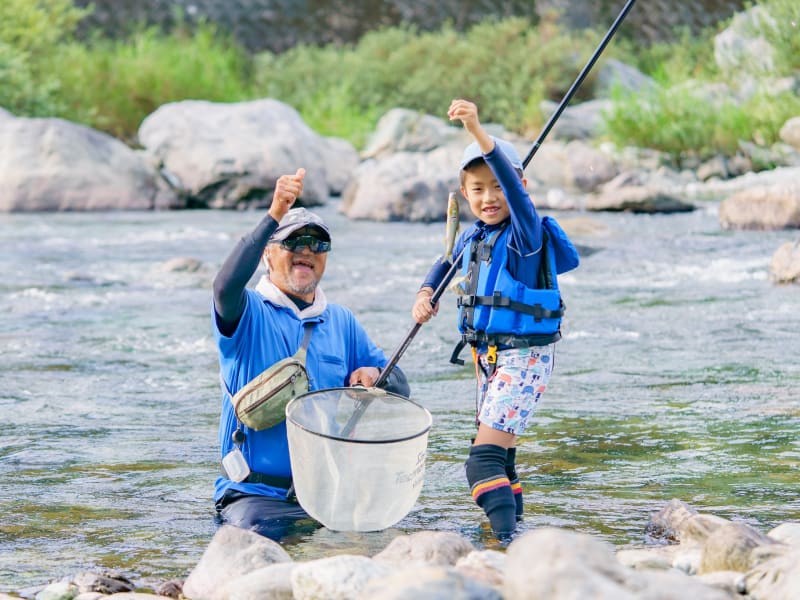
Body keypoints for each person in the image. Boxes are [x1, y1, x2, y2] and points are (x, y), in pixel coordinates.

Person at [212, 167, 410, 540]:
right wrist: (273, 215)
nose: (307, 250)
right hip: (255, 497)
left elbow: (400, 386)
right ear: (268, 254)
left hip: (327, 495)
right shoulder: (247, 312)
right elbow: (224, 287)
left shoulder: (341, 321)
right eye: (293, 242)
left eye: (318, 244)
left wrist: (372, 375)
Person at [412, 99, 578, 540]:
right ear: (465, 195)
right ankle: (514, 533)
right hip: (489, 359)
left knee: (481, 461)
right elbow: (444, 264)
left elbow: (516, 193)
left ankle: (505, 547)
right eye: (478, 189)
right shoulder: (475, 234)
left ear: (517, 185)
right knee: (501, 459)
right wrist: (426, 293)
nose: (489, 197)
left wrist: (478, 133)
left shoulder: (525, 234)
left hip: (522, 358)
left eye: (497, 186)